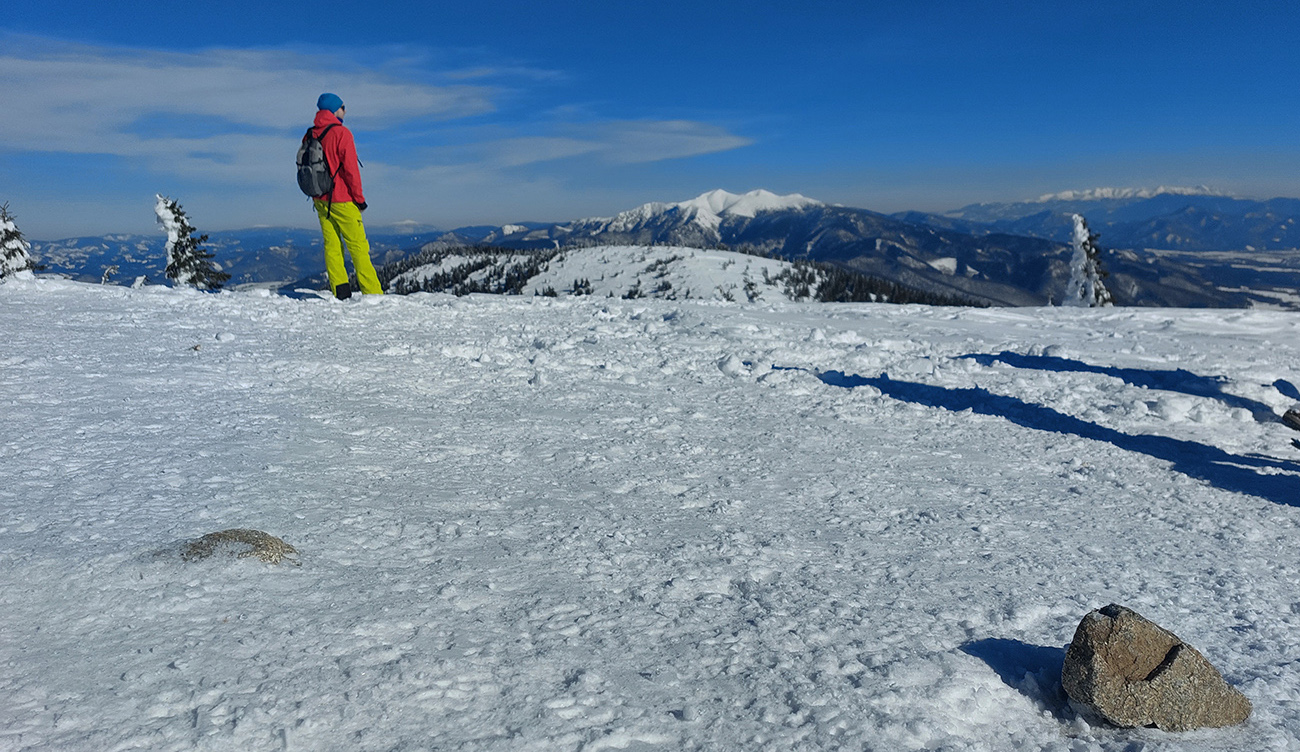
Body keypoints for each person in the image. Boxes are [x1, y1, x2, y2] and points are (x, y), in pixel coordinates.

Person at [306, 93, 382, 299]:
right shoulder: (341, 133)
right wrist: (359, 199)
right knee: (358, 247)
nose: (345, 111)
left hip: (320, 200)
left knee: (332, 246)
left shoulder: (311, 134)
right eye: (342, 107)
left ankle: (341, 292)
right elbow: (351, 171)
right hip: (343, 199)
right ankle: (373, 293)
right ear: (333, 110)